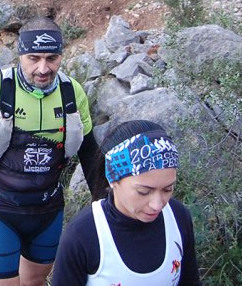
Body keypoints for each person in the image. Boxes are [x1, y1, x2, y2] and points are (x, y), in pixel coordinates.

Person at [0, 17, 106, 286]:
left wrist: (102, 205)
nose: (43, 69)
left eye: (52, 58)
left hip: (48, 207)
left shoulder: (72, 93)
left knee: (34, 281)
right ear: (20, 55)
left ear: (61, 55)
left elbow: (89, 152)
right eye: (34, 58)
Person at [53, 120, 201, 286]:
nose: (157, 204)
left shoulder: (177, 216)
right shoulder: (83, 234)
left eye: (167, 189)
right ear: (113, 179)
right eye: (143, 192)